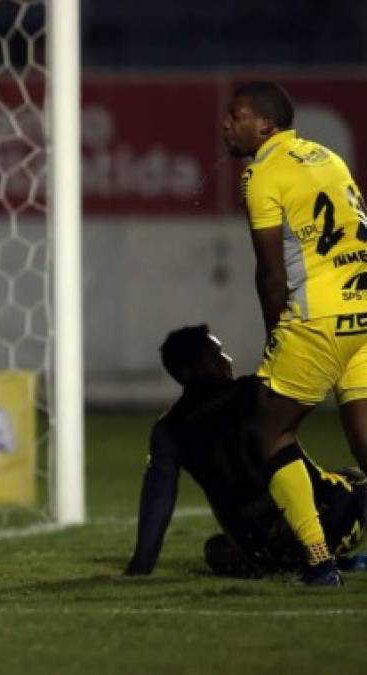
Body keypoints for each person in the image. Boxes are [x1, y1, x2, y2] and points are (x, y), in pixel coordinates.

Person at [223, 81, 367, 585]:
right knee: (365, 442)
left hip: (318, 317)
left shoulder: (262, 172)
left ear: (264, 125)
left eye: (236, 115)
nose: (227, 124)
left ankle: (319, 560)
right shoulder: (329, 157)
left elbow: (270, 272)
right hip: (363, 307)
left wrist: (275, 332)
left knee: (268, 431)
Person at [125, 325, 367, 579]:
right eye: (216, 355)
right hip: (331, 522)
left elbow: (158, 501)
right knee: (356, 476)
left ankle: (317, 561)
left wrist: (140, 566)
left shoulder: (169, 429)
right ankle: (323, 559)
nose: (226, 360)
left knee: (217, 549)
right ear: (191, 369)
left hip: (265, 549)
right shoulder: (255, 393)